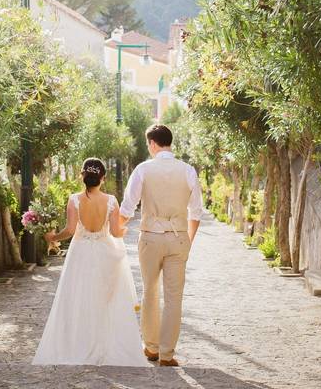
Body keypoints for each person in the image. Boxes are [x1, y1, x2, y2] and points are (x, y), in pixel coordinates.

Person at [32, 158, 147, 366]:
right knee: (105, 299)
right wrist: (124, 230)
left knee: (78, 297)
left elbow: (69, 231)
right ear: (103, 178)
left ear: (82, 176)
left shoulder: (74, 199)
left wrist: (52, 238)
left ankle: (79, 344)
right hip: (105, 252)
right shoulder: (111, 200)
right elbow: (115, 232)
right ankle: (103, 344)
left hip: (80, 253)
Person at [119, 124, 204, 367]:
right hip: (178, 238)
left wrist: (112, 230)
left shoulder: (143, 169)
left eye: (148, 144)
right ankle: (167, 354)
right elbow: (196, 212)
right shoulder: (188, 170)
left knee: (150, 292)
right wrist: (187, 240)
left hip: (150, 238)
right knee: (174, 297)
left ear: (153, 143)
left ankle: (151, 348)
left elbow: (128, 207)